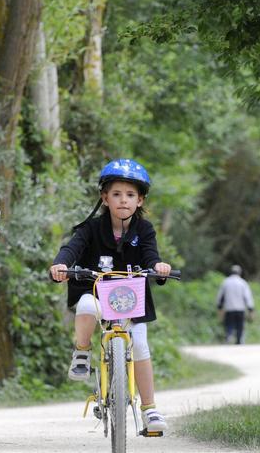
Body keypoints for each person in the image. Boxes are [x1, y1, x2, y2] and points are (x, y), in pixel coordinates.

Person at [49, 158, 172, 433]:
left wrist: (158, 267)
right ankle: (82, 351)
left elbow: (151, 256)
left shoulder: (145, 229)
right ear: (105, 198)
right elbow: (71, 249)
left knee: (139, 345)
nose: (123, 200)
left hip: (132, 298)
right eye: (116, 194)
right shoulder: (91, 228)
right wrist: (61, 264)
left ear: (140, 200)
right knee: (86, 305)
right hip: (95, 290)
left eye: (130, 195)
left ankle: (149, 408)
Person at [215, 265, 254, 344]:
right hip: (240, 309)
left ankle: (228, 337)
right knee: (240, 327)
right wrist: (250, 309)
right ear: (239, 273)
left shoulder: (225, 282)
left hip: (229, 308)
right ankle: (239, 341)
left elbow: (221, 297)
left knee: (229, 325)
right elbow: (247, 297)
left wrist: (219, 307)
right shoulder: (243, 283)